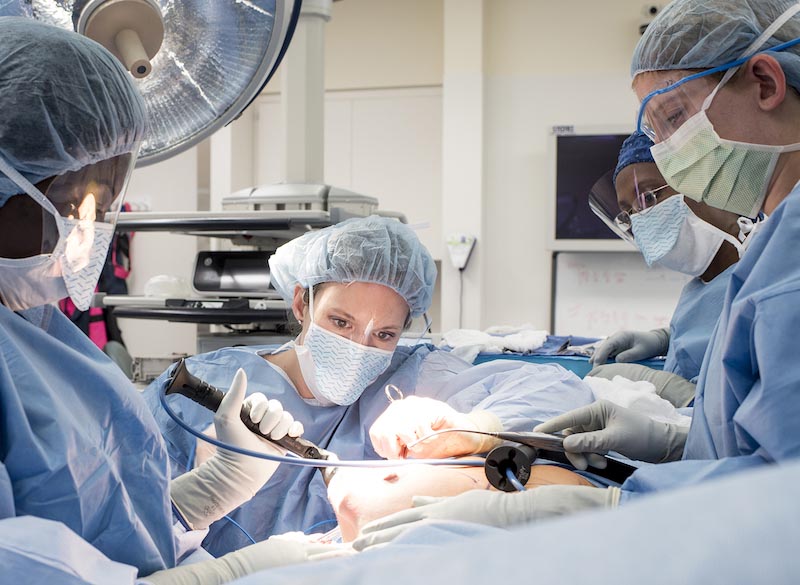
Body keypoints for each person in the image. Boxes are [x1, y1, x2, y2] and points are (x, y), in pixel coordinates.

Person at [351, 0, 800, 549]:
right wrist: (674, 443)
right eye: (656, 133)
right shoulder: (775, 246)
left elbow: (783, 496)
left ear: (765, 81)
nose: (672, 154)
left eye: (676, 117)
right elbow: (758, 441)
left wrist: (609, 504)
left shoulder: (788, 262)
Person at [0, 17, 344, 585]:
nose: (86, 234)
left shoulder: (35, 325)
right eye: (71, 204)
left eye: (102, 205)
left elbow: (94, 520)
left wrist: (203, 495)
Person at [143, 214, 597, 556]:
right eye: (340, 322)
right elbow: (115, 530)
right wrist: (197, 499)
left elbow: (558, 388)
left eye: (384, 335)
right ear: (302, 302)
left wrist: (474, 426)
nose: (359, 347)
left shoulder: (409, 375)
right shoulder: (201, 389)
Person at [587, 130, 750, 407]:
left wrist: (679, 394)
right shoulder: (699, 288)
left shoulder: (762, 278)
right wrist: (665, 339)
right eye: (629, 213)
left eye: (648, 198)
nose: (641, 220)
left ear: (710, 185)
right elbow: (712, 332)